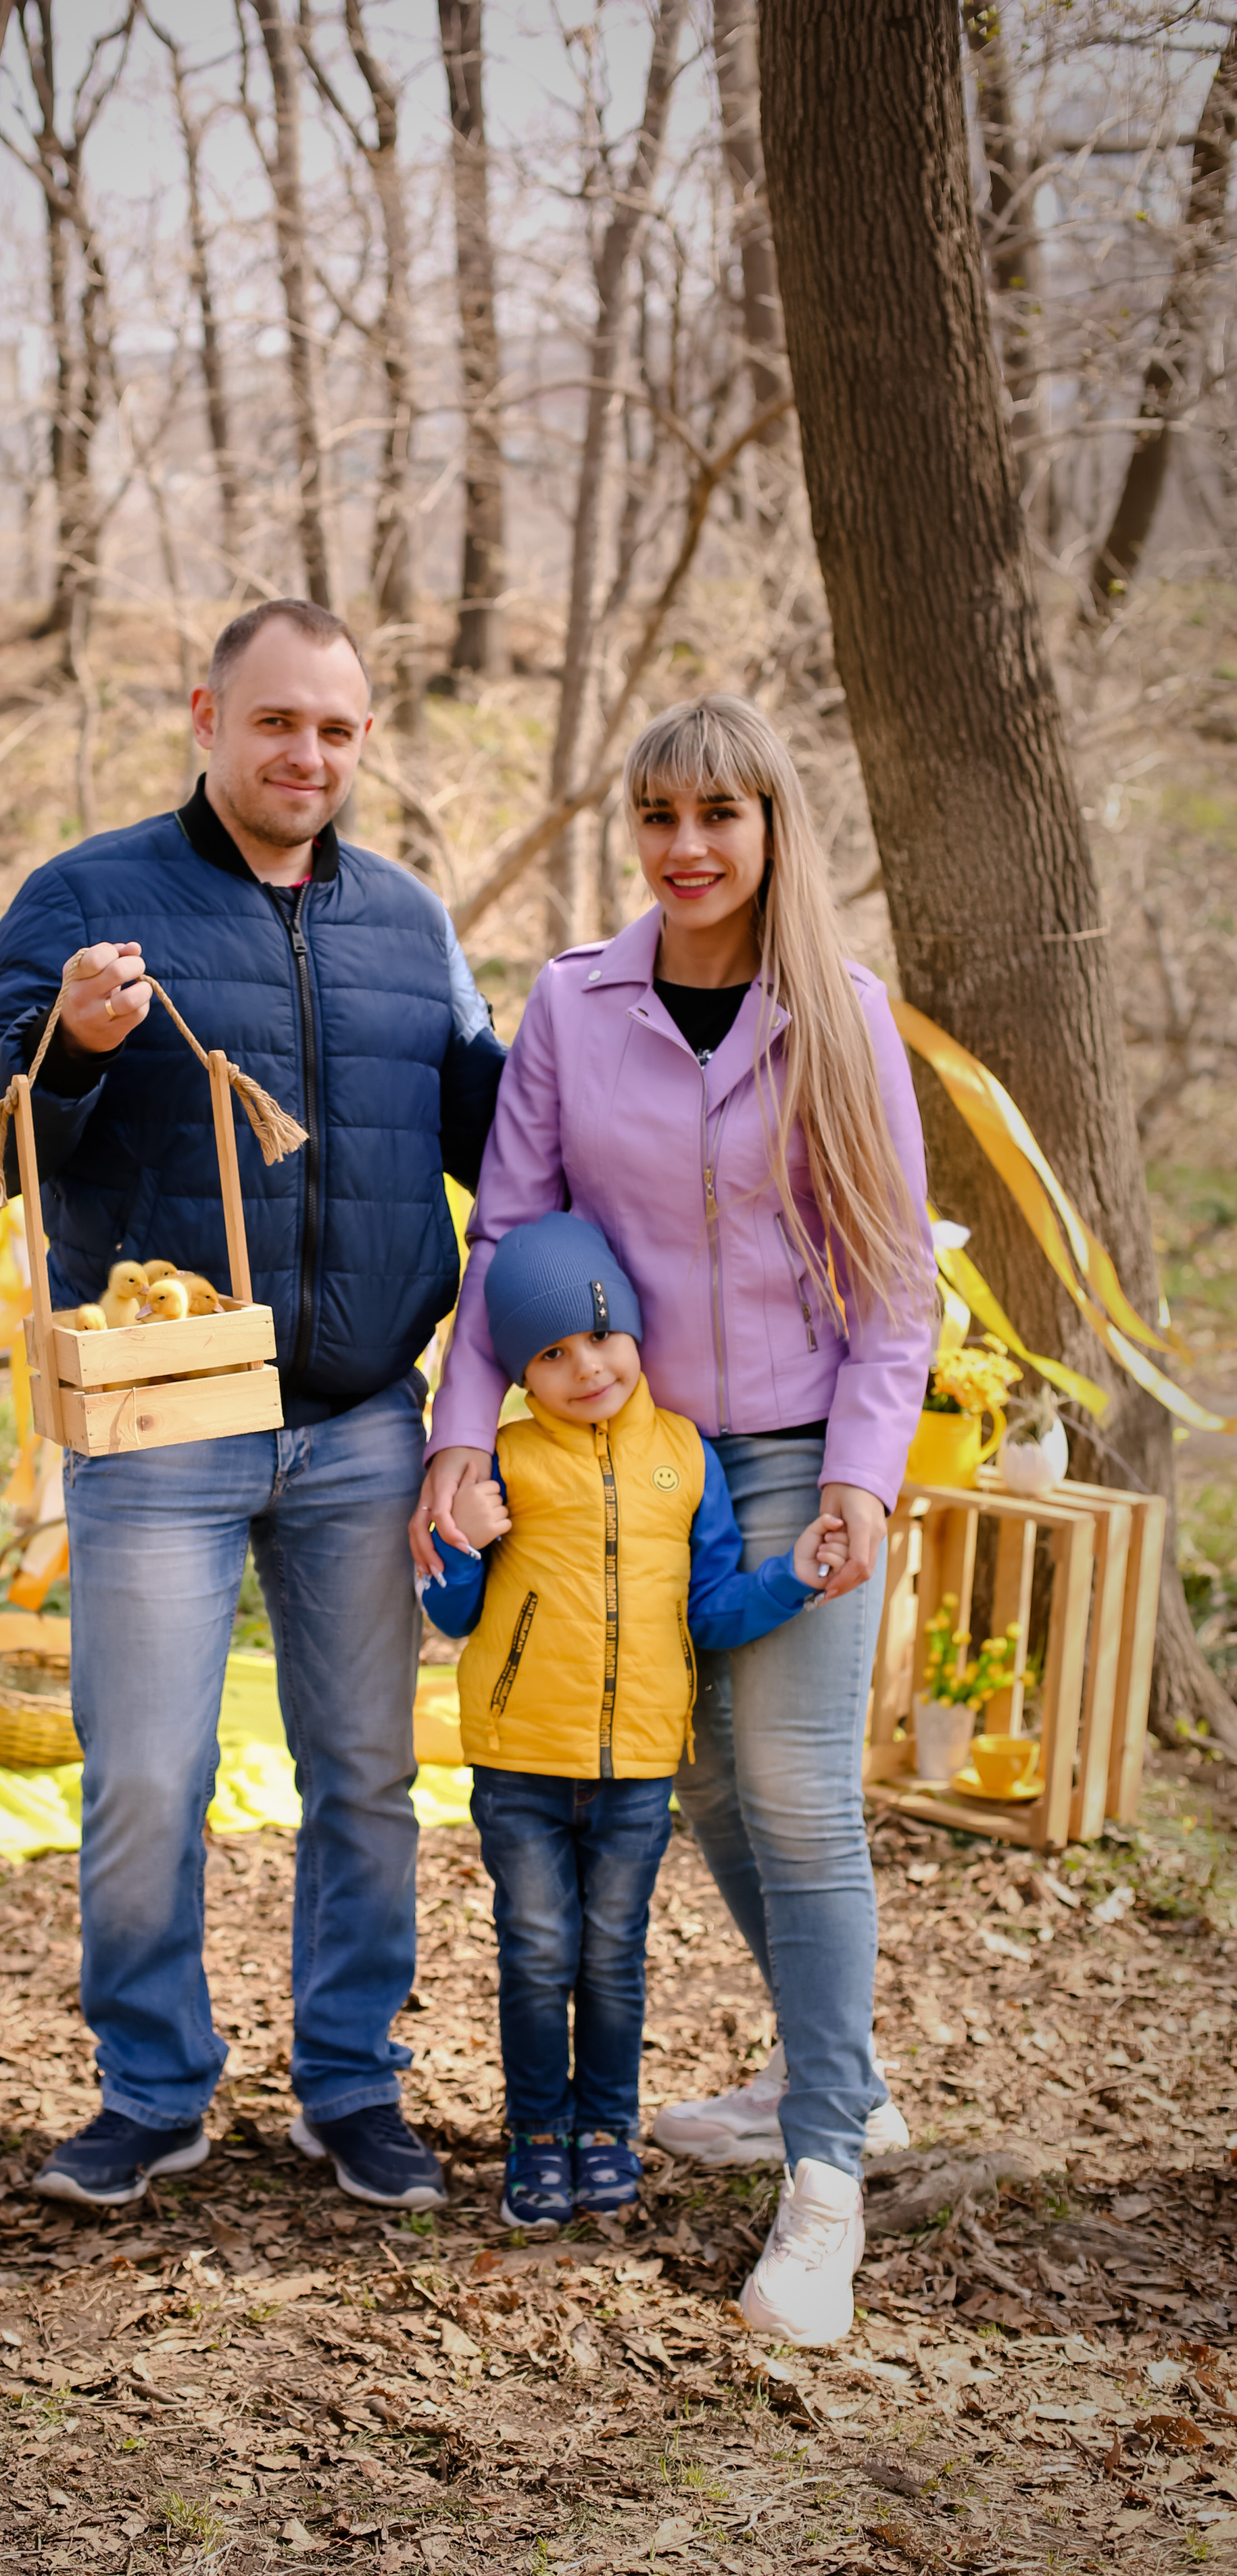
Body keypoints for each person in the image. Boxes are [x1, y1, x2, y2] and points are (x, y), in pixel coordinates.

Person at [0, 601, 505, 2212]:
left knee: (366, 1775)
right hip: (159, 1420)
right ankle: (150, 2089)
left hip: (361, 1419)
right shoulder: (88, 899)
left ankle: (347, 2084)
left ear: (364, 739)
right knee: (138, 1772)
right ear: (205, 716)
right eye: (273, 723)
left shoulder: (408, 923)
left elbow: (493, 1128)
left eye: (333, 729)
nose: (303, 755)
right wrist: (72, 1048)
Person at [414, 693, 933, 2346]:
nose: (686, 847)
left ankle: (822, 2176)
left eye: (719, 813)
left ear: (773, 826)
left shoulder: (842, 1018)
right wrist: (458, 1439)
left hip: (791, 1452)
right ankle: (828, 2061)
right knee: (685, 1767)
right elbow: (503, 1238)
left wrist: (860, 1472)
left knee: (791, 1794)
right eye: (657, 815)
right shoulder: (573, 1005)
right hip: (619, 1458)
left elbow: (895, 1283)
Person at [417, 1212, 848, 2233]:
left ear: (636, 1330)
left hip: (639, 1765)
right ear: (522, 1375)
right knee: (533, 1951)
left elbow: (709, 1609)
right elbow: (450, 1612)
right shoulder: (507, 1461)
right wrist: (466, 1546)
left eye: (601, 1337)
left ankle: (605, 2130)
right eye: (552, 1354)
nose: (586, 1367)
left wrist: (790, 1580)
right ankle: (536, 2136)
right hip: (520, 1759)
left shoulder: (686, 1458)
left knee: (613, 1953)